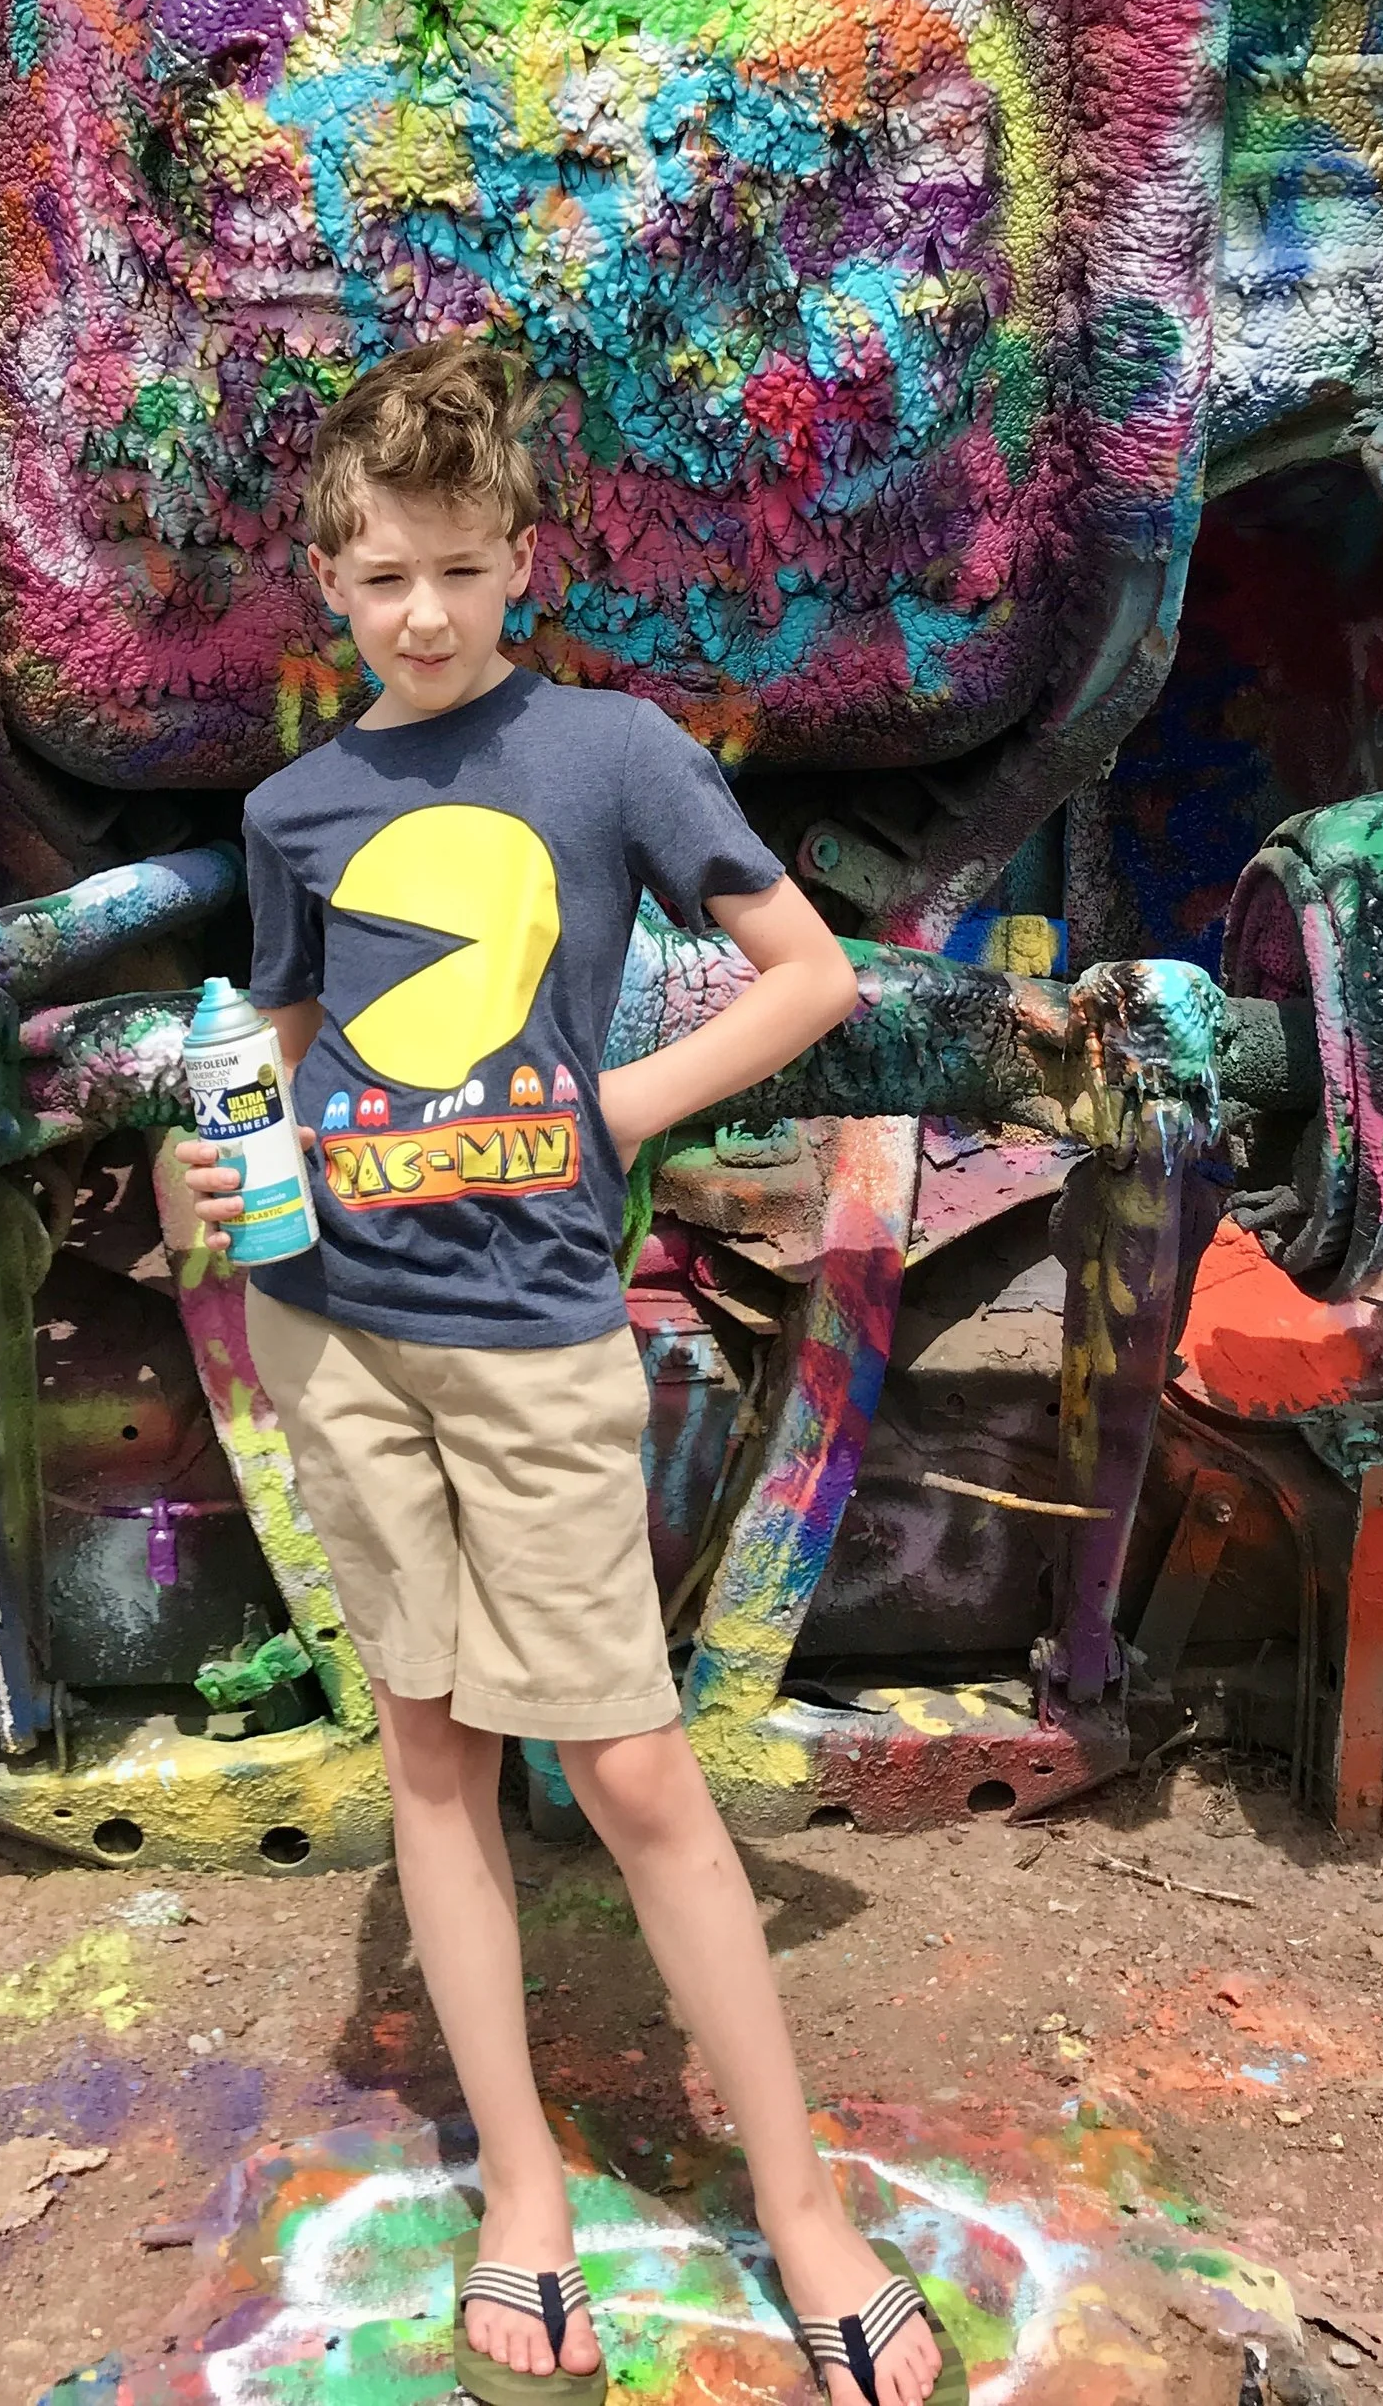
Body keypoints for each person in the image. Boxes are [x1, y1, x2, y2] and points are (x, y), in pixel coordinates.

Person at [180, 343, 949, 2406]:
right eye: (374, 580)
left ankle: (793, 2201)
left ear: (517, 556)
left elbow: (811, 975)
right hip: (334, 1331)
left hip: (528, 1342)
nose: (415, 613)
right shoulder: (289, 805)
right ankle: (520, 2182)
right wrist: (216, 1152)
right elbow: (276, 1041)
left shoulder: (609, 753)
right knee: (427, 1752)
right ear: (324, 585)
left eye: (451, 566)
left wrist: (619, 1108)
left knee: (625, 1767)